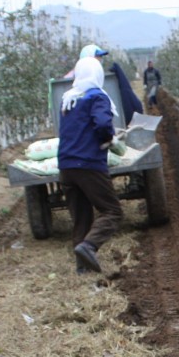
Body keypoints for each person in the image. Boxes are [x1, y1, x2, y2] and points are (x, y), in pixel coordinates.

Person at [57, 56, 122, 274]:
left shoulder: (68, 98)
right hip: (88, 164)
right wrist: (109, 138)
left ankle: (81, 268)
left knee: (81, 215)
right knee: (112, 211)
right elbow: (103, 123)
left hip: (66, 166)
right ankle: (89, 246)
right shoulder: (97, 97)